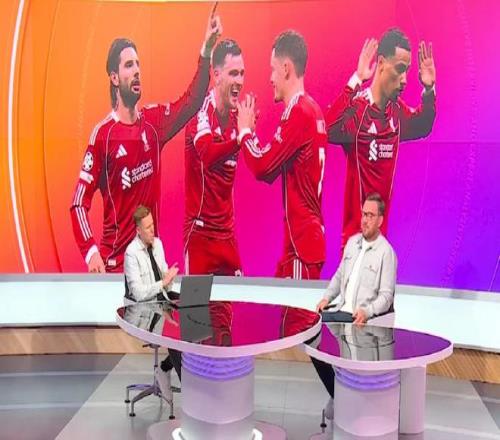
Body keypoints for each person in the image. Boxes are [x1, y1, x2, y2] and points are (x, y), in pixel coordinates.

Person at [70, 5, 223, 273]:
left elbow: (192, 101)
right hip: (116, 270)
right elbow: (78, 203)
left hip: (151, 270)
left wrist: (207, 49)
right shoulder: (103, 136)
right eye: (129, 65)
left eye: (138, 64)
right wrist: (91, 253)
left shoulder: (154, 124)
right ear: (114, 78)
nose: (137, 70)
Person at [326, 29, 436, 247]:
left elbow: (423, 125)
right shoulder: (358, 110)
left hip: (381, 244)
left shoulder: (396, 112)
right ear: (382, 63)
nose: (404, 80)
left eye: (407, 71)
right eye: (400, 69)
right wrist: (357, 79)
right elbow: (328, 129)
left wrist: (429, 89)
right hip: (355, 244)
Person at [237, 30, 327, 281]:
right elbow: (270, 161)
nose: (270, 78)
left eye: (273, 69)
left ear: (286, 68)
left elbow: (263, 167)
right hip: (301, 245)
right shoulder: (313, 110)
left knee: (296, 309)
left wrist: (244, 132)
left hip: (301, 247)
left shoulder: (298, 112)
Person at [313, 193, 398, 420]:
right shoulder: (352, 243)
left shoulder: (386, 253)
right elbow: (339, 275)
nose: (365, 220)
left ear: (380, 220)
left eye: (370, 215)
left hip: (360, 319)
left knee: (329, 342)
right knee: (311, 336)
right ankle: (338, 394)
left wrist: (367, 311)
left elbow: (386, 296)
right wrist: (326, 298)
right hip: (341, 312)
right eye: (363, 214)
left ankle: (343, 399)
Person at [184, 39, 245, 276]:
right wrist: (240, 140)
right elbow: (208, 155)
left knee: (237, 301)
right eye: (233, 73)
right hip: (200, 237)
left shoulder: (239, 118)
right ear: (217, 75)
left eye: (242, 73)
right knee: (196, 303)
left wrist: (248, 135)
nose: (239, 81)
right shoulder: (200, 112)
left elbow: (259, 160)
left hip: (227, 237)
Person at [124, 205, 181, 400]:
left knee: (191, 319)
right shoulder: (131, 253)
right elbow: (138, 293)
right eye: (147, 227)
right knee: (175, 336)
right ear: (138, 230)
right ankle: (186, 385)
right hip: (143, 309)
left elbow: (164, 279)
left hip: (161, 300)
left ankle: (165, 369)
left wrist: (169, 277)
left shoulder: (158, 244)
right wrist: (162, 283)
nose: (152, 230)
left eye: (153, 225)